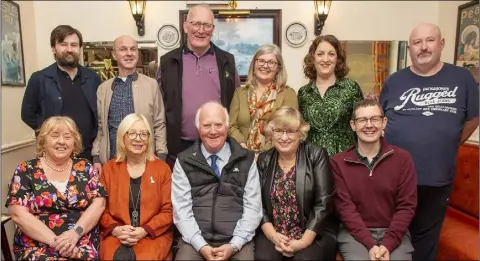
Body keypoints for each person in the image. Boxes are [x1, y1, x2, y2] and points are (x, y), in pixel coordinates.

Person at [379, 23, 479, 261]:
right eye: (417, 42)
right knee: (391, 238)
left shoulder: (462, 77)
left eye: (430, 40)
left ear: (441, 44)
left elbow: (473, 120)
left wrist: (445, 141)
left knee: (424, 244)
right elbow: (380, 120)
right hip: (395, 178)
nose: (423, 47)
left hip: (436, 178)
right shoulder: (394, 81)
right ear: (410, 47)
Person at [5, 116, 106, 260]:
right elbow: (18, 214)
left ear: (75, 141)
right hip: (37, 243)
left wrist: (74, 234)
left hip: (80, 239)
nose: (62, 141)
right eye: (54, 136)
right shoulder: (25, 170)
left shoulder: (85, 167)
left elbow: (99, 204)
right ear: (43, 140)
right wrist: (56, 242)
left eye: (67, 137)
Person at [171, 101, 262, 260]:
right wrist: (202, 246)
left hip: (237, 240)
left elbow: (253, 209)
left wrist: (234, 245)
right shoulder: (184, 161)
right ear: (198, 128)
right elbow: (181, 211)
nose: (213, 131)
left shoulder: (246, 159)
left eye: (218, 125)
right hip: (195, 241)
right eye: (206, 126)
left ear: (227, 127)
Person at [157, 4, 241, 169]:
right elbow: (158, 107)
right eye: (196, 24)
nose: (201, 30)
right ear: (185, 26)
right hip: (178, 150)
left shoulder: (227, 61)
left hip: (218, 147)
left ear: (213, 29)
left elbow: (236, 102)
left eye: (206, 25)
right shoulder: (168, 62)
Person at [331, 99, 417, 260]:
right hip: (354, 234)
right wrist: (370, 245)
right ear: (353, 125)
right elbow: (345, 210)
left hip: (394, 232)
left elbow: (406, 206)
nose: (369, 125)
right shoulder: (338, 163)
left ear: (384, 122)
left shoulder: (403, 159)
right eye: (362, 120)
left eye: (375, 119)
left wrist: (387, 244)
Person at [255, 107, 338, 260]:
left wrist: (303, 242)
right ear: (271, 133)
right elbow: (257, 203)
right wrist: (273, 235)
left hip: (311, 232)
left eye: (291, 131)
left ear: (300, 134)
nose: (284, 137)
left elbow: (324, 202)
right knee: (264, 258)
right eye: (279, 130)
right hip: (274, 231)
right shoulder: (264, 159)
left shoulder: (316, 155)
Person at [21, 25, 101, 161]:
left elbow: (100, 115)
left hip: (87, 156)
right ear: (53, 48)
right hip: (52, 156)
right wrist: (50, 134)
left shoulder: (93, 78)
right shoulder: (40, 79)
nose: (69, 49)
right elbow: (27, 114)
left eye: (74, 45)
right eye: (63, 44)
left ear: (79, 48)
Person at [99, 113, 173, 260]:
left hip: (152, 236)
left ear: (149, 138)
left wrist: (144, 230)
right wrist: (116, 230)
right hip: (116, 236)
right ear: (122, 138)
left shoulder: (162, 169)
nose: (138, 139)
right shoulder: (109, 169)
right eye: (132, 133)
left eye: (143, 134)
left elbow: (168, 211)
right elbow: (101, 209)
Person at [92, 35, 167, 174]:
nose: (129, 53)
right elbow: (102, 127)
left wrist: (161, 155)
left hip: (144, 160)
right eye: (123, 49)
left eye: (133, 49)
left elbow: (159, 123)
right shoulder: (104, 89)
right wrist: (96, 156)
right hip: (112, 160)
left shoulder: (151, 85)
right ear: (114, 54)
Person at [297, 35, 364, 157]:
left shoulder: (351, 88)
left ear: (338, 58)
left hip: (345, 160)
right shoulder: (303, 93)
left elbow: (361, 124)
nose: (325, 59)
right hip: (312, 160)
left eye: (331, 54)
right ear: (313, 58)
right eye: (320, 54)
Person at [228, 44, 298, 153]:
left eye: (271, 62)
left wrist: (262, 154)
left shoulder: (288, 94)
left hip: (275, 156)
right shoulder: (240, 93)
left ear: (278, 68)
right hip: (242, 155)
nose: (265, 66)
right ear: (254, 64)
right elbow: (231, 126)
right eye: (261, 61)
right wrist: (243, 147)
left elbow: (289, 129)